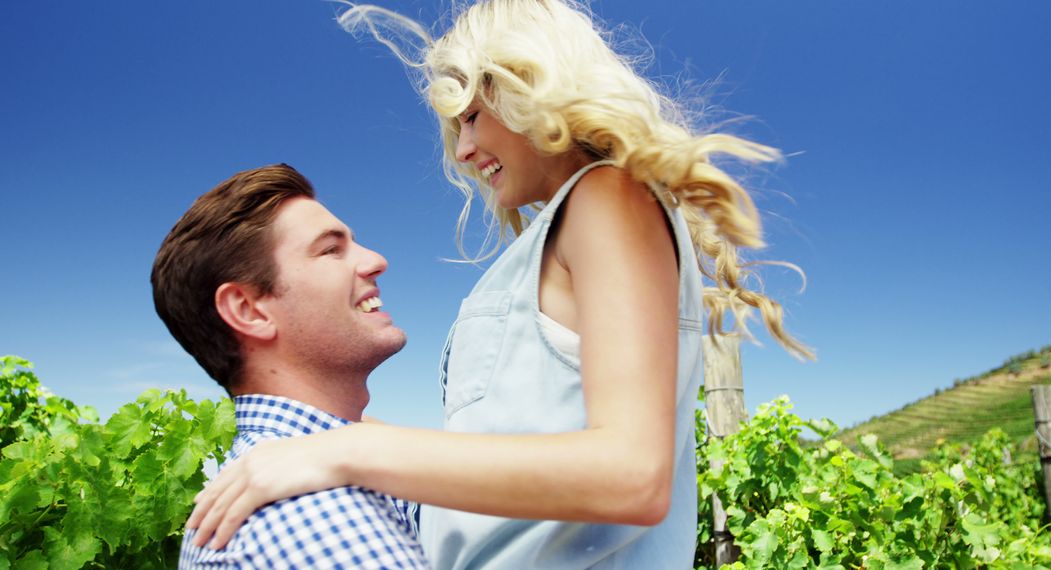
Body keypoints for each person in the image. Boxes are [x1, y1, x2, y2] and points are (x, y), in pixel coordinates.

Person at [187, 1, 812, 568]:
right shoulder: (564, 227)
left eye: (473, 117)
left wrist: (340, 452)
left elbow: (632, 475)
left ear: (530, 91)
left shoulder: (605, 197)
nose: (462, 150)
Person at [151, 164, 429, 569]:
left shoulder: (323, 471)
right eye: (331, 250)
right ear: (249, 310)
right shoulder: (318, 521)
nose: (376, 260)